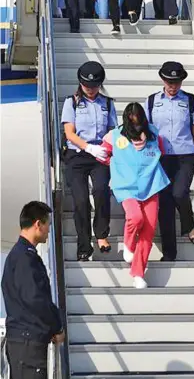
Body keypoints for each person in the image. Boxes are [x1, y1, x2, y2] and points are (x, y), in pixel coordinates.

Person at [144, 61, 194, 261]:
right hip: (161, 157)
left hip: (185, 155)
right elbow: (144, 131)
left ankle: (188, 225)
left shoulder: (190, 100)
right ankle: (169, 253)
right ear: (162, 80)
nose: (173, 86)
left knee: (180, 192)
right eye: (169, 81)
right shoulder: (151, 101)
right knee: (164, 204)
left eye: (177, 82)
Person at [100, 103, 170, 288]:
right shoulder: (115, 135)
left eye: (139, 122)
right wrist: (117, 168)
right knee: (135, 217)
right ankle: (128, 244)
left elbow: (160, 152)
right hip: (126, 186)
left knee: (148, 229)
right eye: (133, 123)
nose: (136, 126)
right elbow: (102, 154)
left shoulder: (154, 134)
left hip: (151, 185)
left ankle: (138, 273)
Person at [61, 61, 117, 260]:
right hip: (78, 154)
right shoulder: (72, 102)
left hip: (100, 154)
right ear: (80, 84)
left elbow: (113, 130)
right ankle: (84, 245)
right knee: (81, 200)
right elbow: (69, 133)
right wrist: (88, 147)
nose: (91, 90)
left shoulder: (107, 103)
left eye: (94, 87)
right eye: (87, 87)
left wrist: (105, 147)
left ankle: (101, 234)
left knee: (101, 190)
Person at [1, 202, 64, 379]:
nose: (49, 230)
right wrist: (57, 326)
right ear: (38, 224)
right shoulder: (25, 258)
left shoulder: (19, 255)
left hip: (23, 340)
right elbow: (35, 297)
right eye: (48, 225)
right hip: (28, 341)